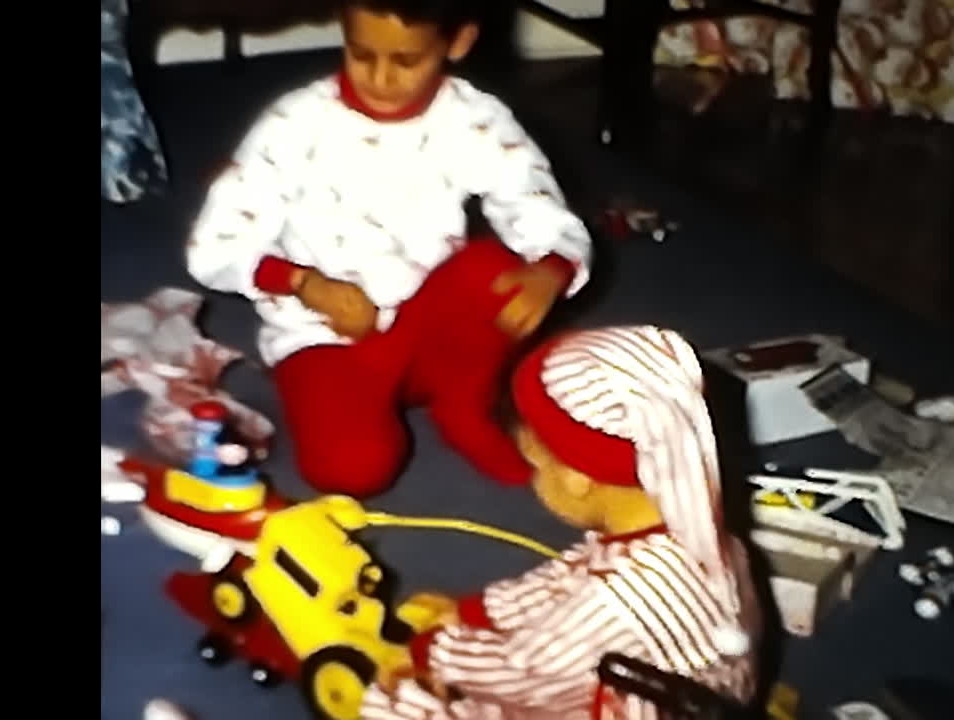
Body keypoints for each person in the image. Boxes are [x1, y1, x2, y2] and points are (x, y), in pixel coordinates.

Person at [185, 0, 593, 498]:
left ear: (457, 43)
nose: (380, 79)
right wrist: (303, 283)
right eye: (361, 54)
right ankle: (349, 399)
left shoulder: (475, 119)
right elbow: (213, 245)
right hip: (326, 336)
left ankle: (463, 403)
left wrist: (550, 269)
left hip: (427, 328)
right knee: (351, 470)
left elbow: (540, 211)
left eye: (406, 62)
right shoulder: (294, 124)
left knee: (496, 270)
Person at [362, 325, 763, 719]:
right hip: (701, 688)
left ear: (578, 479)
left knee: (395, 706)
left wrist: (434, 648)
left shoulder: (616, 602)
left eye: (535, 464)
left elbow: (525, 672)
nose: (531, 477)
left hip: (635, 705)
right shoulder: (698, 530)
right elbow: (567, 576)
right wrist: (479, 612)